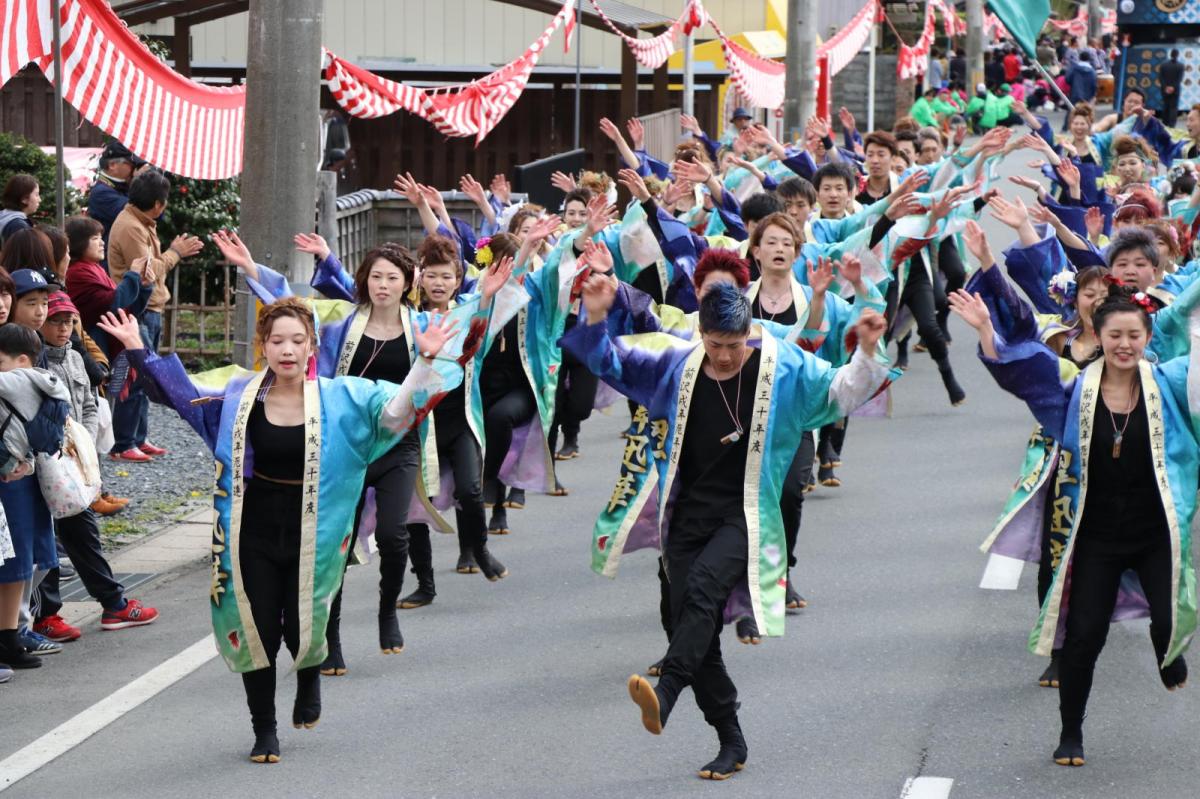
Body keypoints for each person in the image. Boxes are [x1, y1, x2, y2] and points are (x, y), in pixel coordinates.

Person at [96, 300, 464, 763]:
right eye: (277, 341)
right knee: (261, 629)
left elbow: (394, 414)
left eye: (296, 340)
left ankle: (309, 674)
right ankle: (264, 730)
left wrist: (425, 360)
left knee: (304, 625)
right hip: (252, 528)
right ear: (263, 347)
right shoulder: (237, 396)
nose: (286, 350)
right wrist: (137, 349)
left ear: (312, 346)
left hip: (317, 528)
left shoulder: (341, 396)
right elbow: (180, 394)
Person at [563, 277, 889, 780]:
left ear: (751, 334)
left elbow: (843, 390)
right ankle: (730, 739)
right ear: (700, 333)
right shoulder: (677, 362)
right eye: (714, 345)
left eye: (733, 346)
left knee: (702, 592)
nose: (723, 356)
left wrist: (867, 351)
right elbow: (608, 360)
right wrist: (595, 315)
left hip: (746, 512)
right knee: (685, 625)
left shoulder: (783, 365)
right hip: (688, 510)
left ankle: (667, 691)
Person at [952, 282, 1196, 768]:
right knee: (1083, 636)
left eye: (1134, 335)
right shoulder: (1077, 386)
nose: (1124, 344)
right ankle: (1071, 733)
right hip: (1096, 536)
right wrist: (985, 330)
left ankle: (1166, 651)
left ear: (1147, 338)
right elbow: (1026, 373)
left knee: (1171, 622)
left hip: (1155, 532)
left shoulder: (1169, 382)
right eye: (1115, 335)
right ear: (1100, 337)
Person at [30, 292, 158, 642]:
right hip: (41, 459)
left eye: (68, 321)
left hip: (71, 461)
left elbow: (89, 402)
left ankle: (112, 603)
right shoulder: (33, 360)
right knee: (49, 538)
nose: (62, 328)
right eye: (55, 321)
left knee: (81, 530)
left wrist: (82, 441)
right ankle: (46, 616)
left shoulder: (74, 357)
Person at [106, 169, 203, 462]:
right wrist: (175, 252)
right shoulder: (132, 227)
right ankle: (123, 443)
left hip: (151, 309)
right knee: (136, 377)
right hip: (140, 309)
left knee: (146, 377)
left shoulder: (140, 221)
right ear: (159, 204)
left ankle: (138, 437)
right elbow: (148, 272)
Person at [0, 323, 70, 674]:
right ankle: (11, 636)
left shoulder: (16, 379)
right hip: (29, 475)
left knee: (12, 560)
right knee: (22, 560)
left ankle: (10, 636)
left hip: (11, 479)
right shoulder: (46, 380)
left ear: (22, 359)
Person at [86, 141, 144, 246]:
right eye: (132, 164)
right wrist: (142, 182)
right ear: (112, 165)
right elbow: (141, 212)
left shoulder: (123, 186)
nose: (135, 169)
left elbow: (156, 212)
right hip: (110, 259)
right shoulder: (101, 193)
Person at [0, 175, 39, 246]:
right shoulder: (19, 227)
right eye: (36, 195)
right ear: (24, 199)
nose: (39, 200)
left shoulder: (5, 218)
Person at [1159, 50, 1184, 128]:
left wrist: (1166, 87)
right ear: (1177, 55)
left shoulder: (1163, 65)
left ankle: (1165, 124)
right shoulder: (1181, 66)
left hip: (1164, 89)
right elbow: (1179, 79)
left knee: (1165, 106)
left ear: (1170, 54)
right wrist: (1173, 87)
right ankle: (1172, 125)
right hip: (1175, 90)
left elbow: (1160, 77)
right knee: (1173, 108)